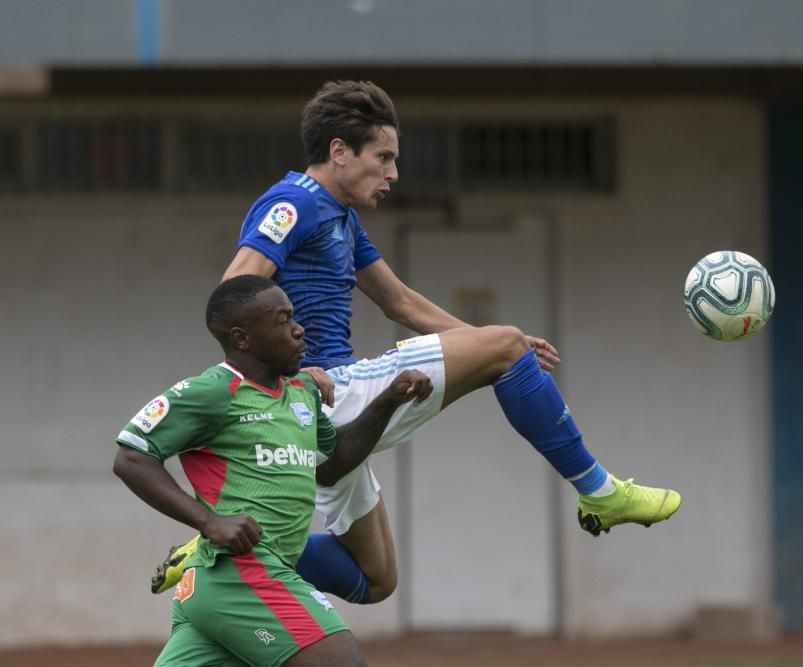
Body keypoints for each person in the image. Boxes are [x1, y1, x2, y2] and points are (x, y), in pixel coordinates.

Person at [152, 80, 682, 605]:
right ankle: (600, 493)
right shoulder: (294, 202)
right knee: (504, 349)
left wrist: (495, 341)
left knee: (374, 579)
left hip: (325, 410)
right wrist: (282, 383)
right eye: (383, 158)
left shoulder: (341, 217)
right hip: (323, 392)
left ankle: (212, 550)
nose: (393, 174)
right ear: (339, 152)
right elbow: (231, 294)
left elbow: (401, 303)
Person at [114, 274, 432, 666]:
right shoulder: (213, 392)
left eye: (293, 317)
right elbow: (131, 456)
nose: (299, 330)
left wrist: (387, 401)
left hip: (223, 583)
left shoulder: (301, 391)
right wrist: (209, 522)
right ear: (241, 338)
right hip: (243, 573)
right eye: (282, 321)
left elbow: (332, 466)